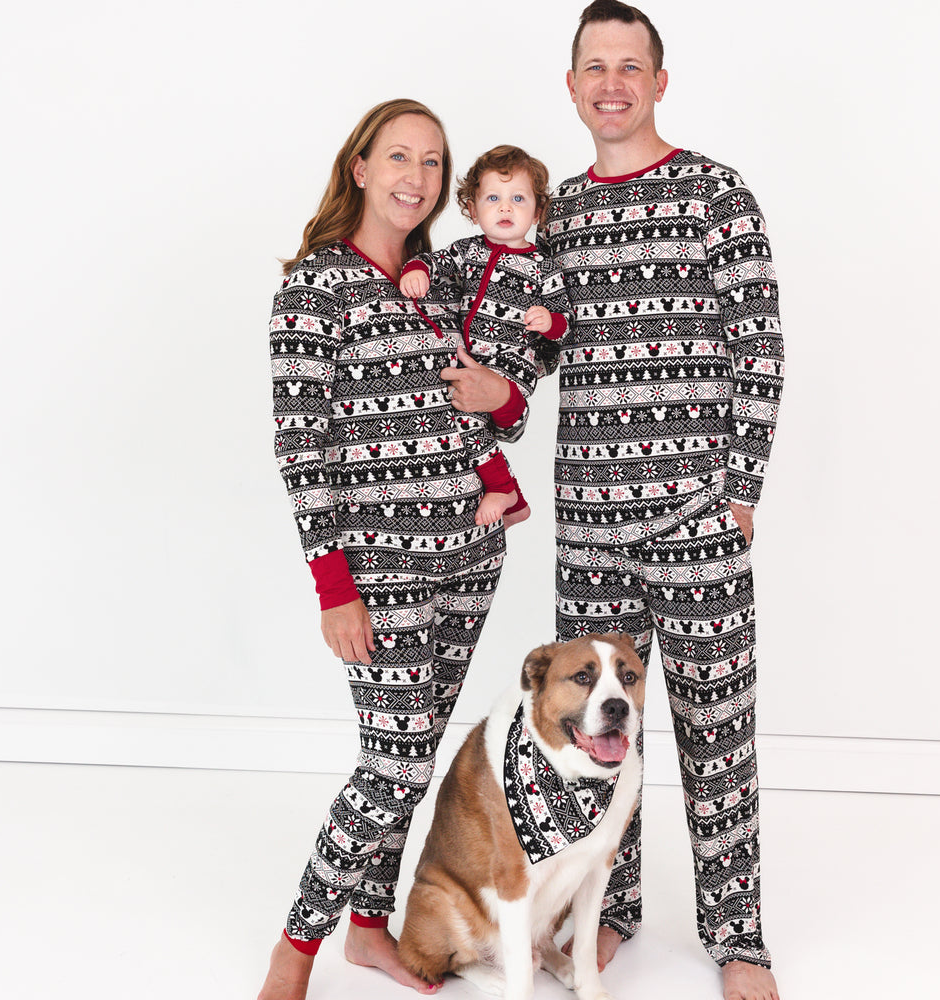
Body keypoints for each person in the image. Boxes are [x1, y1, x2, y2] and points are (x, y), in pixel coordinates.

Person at [445, 4, 784, 999]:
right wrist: (487, 399)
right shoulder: (557, 219)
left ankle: (739, 935)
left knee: (720, 725)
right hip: (590, 525)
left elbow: (758, 345)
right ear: (571, 84)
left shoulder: (715, 194)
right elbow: (530, 358)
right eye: (594, 66)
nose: (611, 83)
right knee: (590, 746)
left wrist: (740, 490)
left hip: (694, 520)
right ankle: (612, 910)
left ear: (658, 81)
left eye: (630, 66)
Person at [258, 98, 509, 1000]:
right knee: (394, 762)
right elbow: (302, 448)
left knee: (415, 746)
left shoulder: (446, 282)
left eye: (434, 163)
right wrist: (335, 587)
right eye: (399, 157)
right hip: (379, 571)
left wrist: (502, 419)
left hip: (470, 556)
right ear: (360, 167)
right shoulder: (313, 287)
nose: (417, 177)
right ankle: (297, 947)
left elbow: (497, 393)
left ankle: (369, 928)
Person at [400, 145, 572, 528]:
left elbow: (566, 322)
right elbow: (433, 261)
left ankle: (503, 489)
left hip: (514, 363)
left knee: (470, 419)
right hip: (470, 355)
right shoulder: (467, 252)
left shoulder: (544, 267)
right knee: (458, 418)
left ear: (537, 211)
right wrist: (417, 270)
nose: (505, 208)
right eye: (493, 198)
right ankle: (510, 495)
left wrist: (550, 322)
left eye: (518, 199)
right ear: (473, 210)